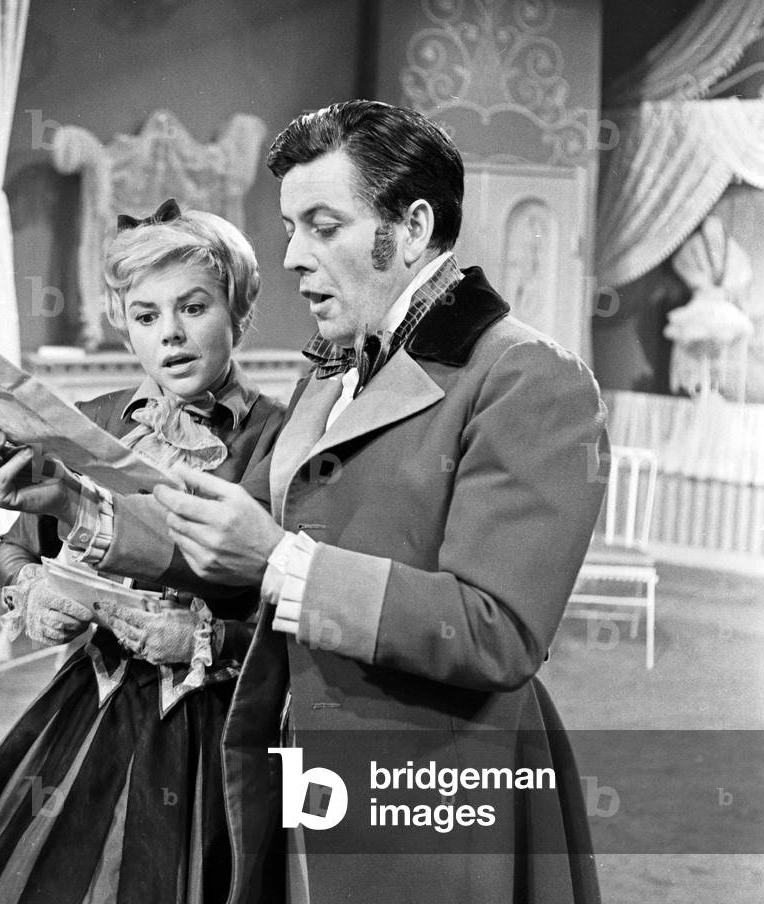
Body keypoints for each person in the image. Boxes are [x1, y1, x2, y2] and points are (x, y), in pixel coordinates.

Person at [49, 101, 612, 904]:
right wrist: (71, 506)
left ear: (411, 227)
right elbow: (230, 541)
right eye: (288, 228)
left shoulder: (529, 378)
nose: (291, 257)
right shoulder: (333, 369)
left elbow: (501, 632)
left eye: (322, 225)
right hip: (299, 762)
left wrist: (282, 562)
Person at [0, 200, 285, 904]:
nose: (170, 337)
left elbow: (291, 604)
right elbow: (13, 549)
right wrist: (29, 590)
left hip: (217, 728)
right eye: (146, 317)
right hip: (95, 705)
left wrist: (210, 636)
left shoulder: (281, 438)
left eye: (194, 308)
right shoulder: (93, 420)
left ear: (239, 309)